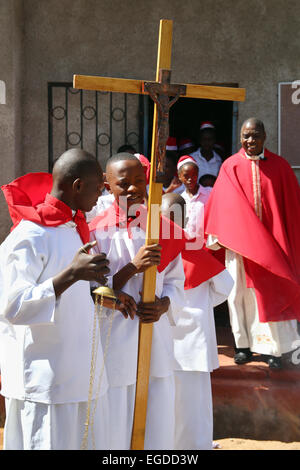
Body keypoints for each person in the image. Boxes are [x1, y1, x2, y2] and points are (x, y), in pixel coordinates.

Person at [0, 148, 135, 450]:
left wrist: (97, 290)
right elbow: (12, 306)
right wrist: (71, 275)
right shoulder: (28, 236)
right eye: (98, 189)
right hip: (46, 380)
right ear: (77, 187)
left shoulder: (72, 229)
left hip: (81, 373)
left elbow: (73, 297)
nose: (101, 197)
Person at [89, 152, 186, 450]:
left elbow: (175, 281)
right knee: (116, 425)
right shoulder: (95, 232)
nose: (132, 189)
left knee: (157, 422)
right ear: (107, 187)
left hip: (154, 338)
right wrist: (133, 266)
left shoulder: (160, 229)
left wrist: (165, 305)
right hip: (115, 343)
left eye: (138, 182)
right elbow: (91, 291)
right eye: (124, 183)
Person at [205, 118, 300, 369]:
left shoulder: (280, 167)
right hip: (238, 247)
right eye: (246, 135)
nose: (250, 140)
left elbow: (291, 208)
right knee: (238, 295)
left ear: (265, 136)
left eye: (255, 135)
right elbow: (220, 207)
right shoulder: (230, 166)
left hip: (272, 247)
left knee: (269, 294)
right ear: (240, 138)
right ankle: (243, 346)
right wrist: (219, 237)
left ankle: (271, 348)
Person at [160, 192, 234, 449]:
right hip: (191, 341)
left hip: (167, 340)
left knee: (171, 402)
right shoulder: (195, 250)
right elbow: (225, 286)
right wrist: (202, 304)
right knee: (193, 405)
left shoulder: (155, 249)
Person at [177, 155, 212, 239]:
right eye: (186, 176)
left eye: (194, 175)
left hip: (205, 244)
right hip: (187, 245)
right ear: (180, 177)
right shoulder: (179, 199)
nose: (190, 179)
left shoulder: (210, 193)